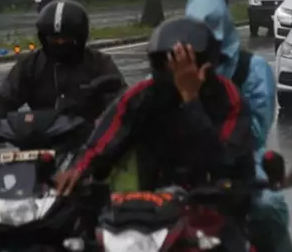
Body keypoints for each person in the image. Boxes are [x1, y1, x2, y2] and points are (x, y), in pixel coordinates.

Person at [54, 16, 255, 249]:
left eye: (184, 64)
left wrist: (190, 101)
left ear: (205, 66)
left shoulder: (228, 99)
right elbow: (107, 136)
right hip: (151, 207)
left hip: (217, 205)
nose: (175, 72)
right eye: (169, 63)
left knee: (266, 216)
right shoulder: (144, 95)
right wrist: (79, 168)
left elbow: (219, 161)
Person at [184, 0, 292, 252]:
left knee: (268, 207)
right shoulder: (176, 69)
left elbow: (254, 133)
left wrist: (206, 95)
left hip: (239, 163)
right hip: (183, 163)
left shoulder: (250, 70)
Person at [0, 0, 125, 122]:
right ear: (44, 38)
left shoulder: (99, 63)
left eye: (67, 39)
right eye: (54, 39)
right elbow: (3, 98)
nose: (60, 43)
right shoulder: (31, 64)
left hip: (89, 141)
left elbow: (122, 102)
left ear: (80, 37)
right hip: (41, 139)